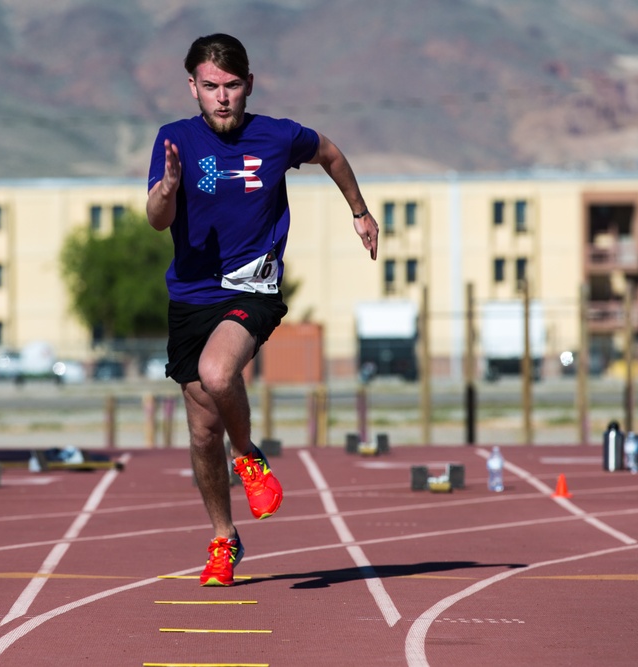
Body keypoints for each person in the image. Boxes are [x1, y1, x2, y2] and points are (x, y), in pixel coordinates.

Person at [146, 33, 379, 586]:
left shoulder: (277, 136)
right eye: (210, 87)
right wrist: (170, 188)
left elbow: (330, 152)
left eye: (230, 86)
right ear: (192, 88)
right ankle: (224, 540)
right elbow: (156, 218)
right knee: (203, 433)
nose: (221, 97)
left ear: (248, 85)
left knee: (217, 371)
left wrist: (360, 212)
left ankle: (250, 456)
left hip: (253, 287)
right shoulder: (173, 140)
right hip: (191, 295)